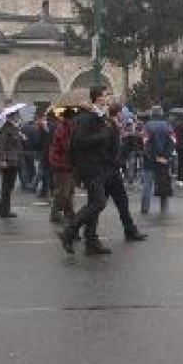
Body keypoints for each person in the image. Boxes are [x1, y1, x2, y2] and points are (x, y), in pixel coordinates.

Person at [59, 86, 115, 255]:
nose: (108, 98)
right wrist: (103, 136)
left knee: (94, 202)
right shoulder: (86, 118)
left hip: (97, 165)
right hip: (88, 166)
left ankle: (91, 240)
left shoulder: (99, 117)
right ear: (98, 98)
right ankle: (69, 231)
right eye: (106, 95)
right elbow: (79, 141)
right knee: (98, 202)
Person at [107, 103, 148, 240]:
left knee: (122, 201)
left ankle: (130, 231)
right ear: (118, 113)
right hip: (109, 169)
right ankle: (73, 230)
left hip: (113, 170)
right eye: (122, 114)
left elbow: (126, 136)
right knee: (97, 204)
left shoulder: (115, 126)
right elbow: (116, 144)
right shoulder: (110, 125)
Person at [142, 106, 175, 213]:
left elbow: (146, 144)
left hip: (150, 161)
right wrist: (166, 157)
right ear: (161, 113)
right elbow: (172, 142)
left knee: (147, 186)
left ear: (152, 113)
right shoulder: (168, 125)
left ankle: (145, 209)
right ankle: (164, 209)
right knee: (163, 184)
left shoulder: (147, 125)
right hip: (164, 162)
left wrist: (154, 157)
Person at [49, 107, 77, 224]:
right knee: (62, 191)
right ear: (70, 118)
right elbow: (66, 146)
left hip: (67, 163)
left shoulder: (68, 127)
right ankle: (55, 213)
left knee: (70, 189)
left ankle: (69, 212)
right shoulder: (63, 128)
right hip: (61, 163)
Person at [0, 109, 23, 218]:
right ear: (11, 116)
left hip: (14, 161)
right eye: (17, 115)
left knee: (9, 187)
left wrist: (20, 136)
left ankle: (6, 210)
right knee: (7, 187)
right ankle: (4, 211)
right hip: (8, 162)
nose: (18, 117)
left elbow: (15, 144)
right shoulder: (5, 129)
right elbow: (1, 146)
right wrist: (2, 160)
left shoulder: (13, 128)